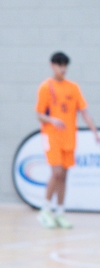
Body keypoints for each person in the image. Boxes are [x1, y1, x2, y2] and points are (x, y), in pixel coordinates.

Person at [36, 51, 100, 228]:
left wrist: (94, 131)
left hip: (69, 137)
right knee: (56, 173)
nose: (63, 69)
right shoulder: (46, 87)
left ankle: (60, 212)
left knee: (64, 176)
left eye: (65, 66)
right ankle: (45, 210)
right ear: (52, 66)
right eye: (59, 66)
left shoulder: (73, 87)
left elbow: (84, 111)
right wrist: (52, 120)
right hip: (52, 136)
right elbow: (39, 114)